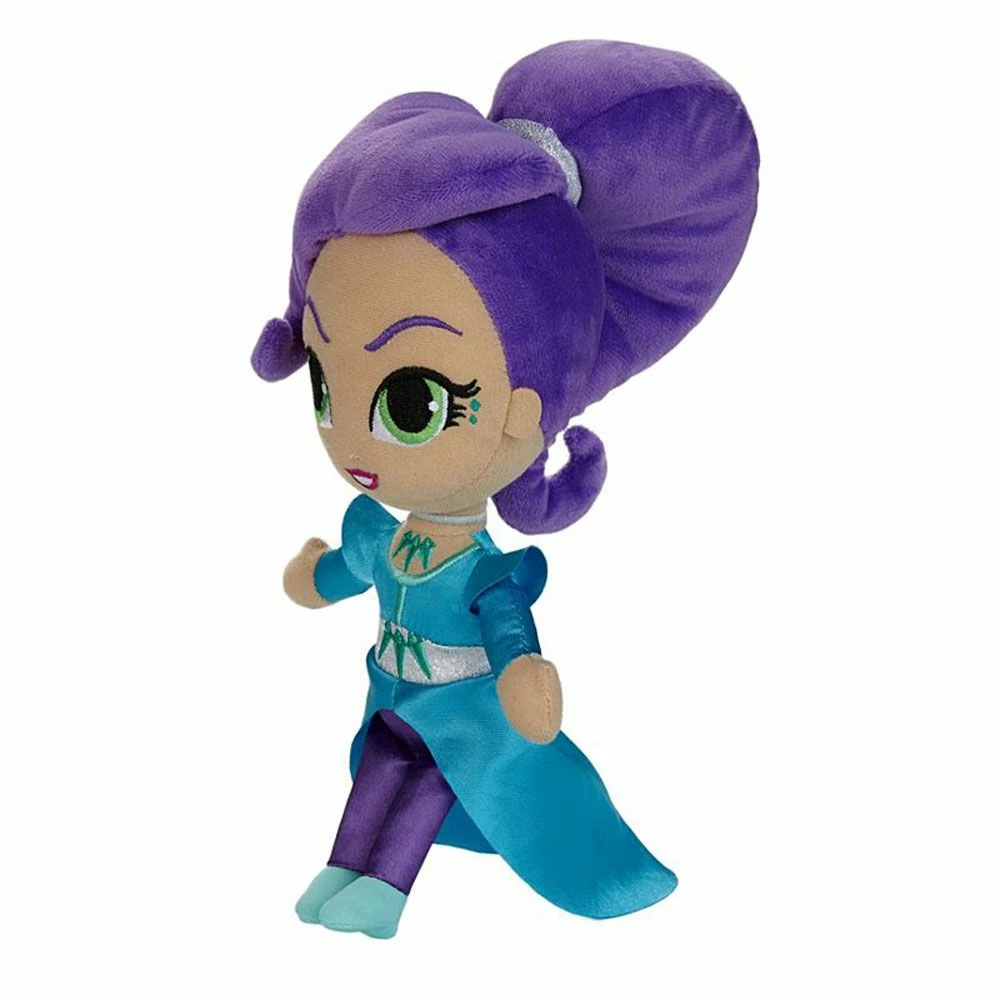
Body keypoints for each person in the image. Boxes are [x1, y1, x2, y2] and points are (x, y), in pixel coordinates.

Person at [252, 39, 759, 938]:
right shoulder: (377, 532)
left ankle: (386, 894)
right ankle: (340, 868)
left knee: (426, 782)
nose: (351, 436)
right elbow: (346, 571)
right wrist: (315, 576)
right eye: (326, 385)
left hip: (463, 715)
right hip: (392, 694)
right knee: (377, 769)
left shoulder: (485, 570)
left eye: (411, 402)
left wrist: (523, 676)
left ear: (524, 410)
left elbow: (509, 629)